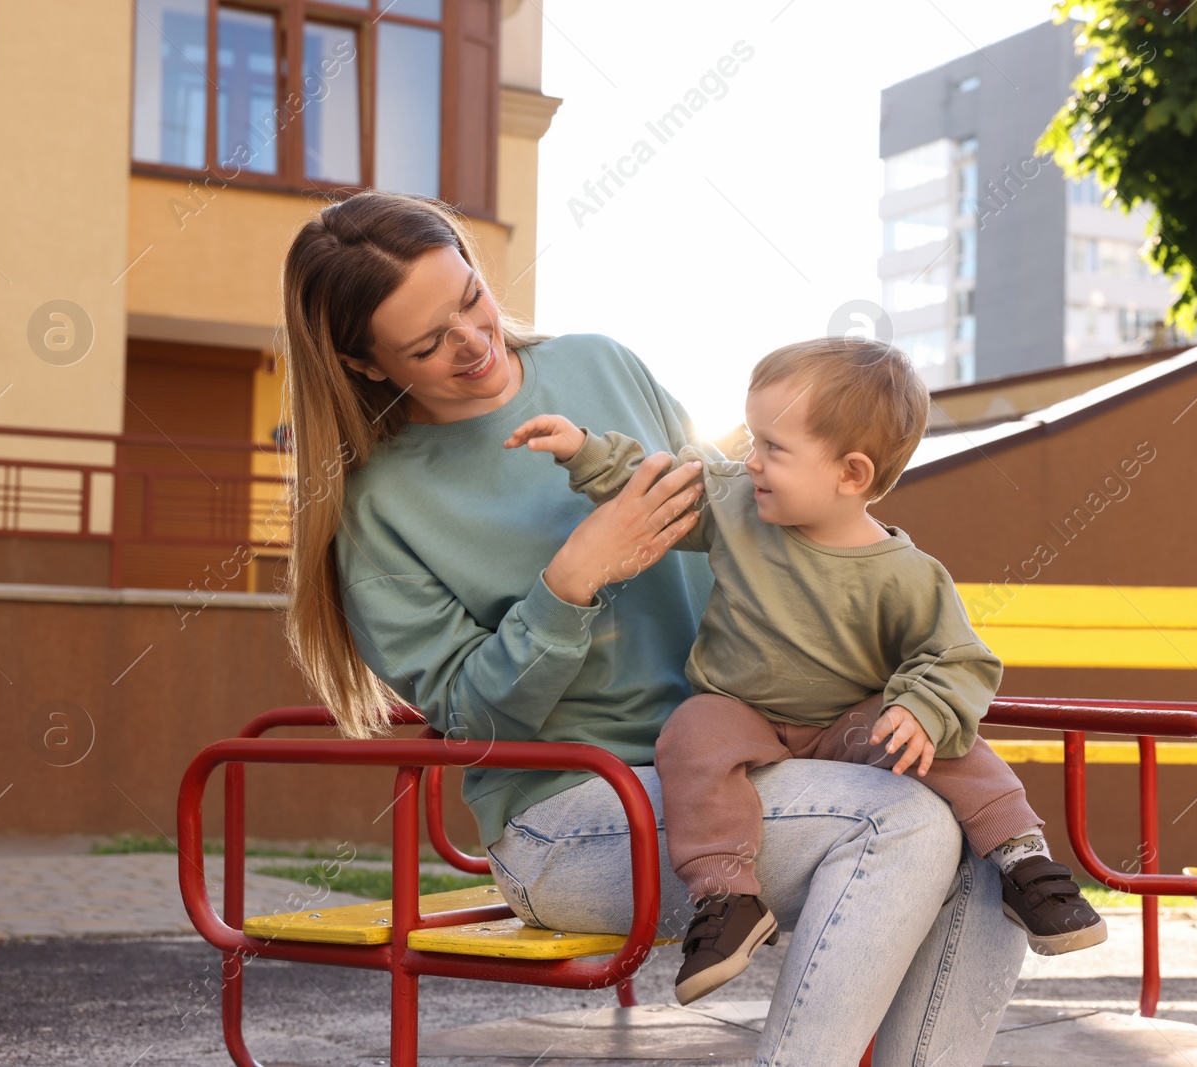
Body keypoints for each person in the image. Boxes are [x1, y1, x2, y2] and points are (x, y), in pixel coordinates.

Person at [280, 189, 1026, 1066]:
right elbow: (470, 722)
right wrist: (572, 579)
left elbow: (752, 527)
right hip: (568, 814)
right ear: (363, 364)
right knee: (900, 823)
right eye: (428, 344)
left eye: (472, 299)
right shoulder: (380, 506)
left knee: (987, 840)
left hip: (746, 758)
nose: (476, 343)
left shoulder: (603, 365)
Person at [503, 337, 1106, 1005]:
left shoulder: (904, 573)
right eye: (752, 439)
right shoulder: (734, 503)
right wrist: (584, 449)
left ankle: (1024, 860)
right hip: (743, 711)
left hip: (848, 722)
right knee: (690, 737)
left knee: (949, 743)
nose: (750, 460)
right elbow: (663, 484)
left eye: (773, 448)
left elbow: (959, 659)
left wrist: (922, 709)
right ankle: (727, 898)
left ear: (850, 474)